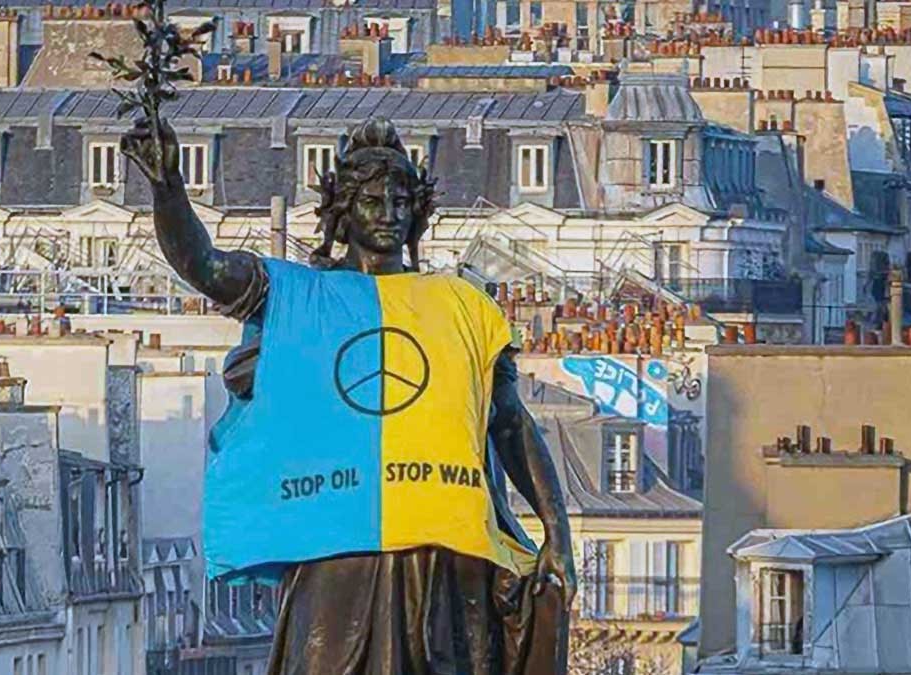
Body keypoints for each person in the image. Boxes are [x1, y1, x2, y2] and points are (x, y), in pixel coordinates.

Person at [122, 115, 576, 675]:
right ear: (344, 211)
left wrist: (558, 532)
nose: (388, 214)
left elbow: (509, 424)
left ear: (418, 214)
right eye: (372, 201)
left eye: (400, 202)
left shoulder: (464, 304)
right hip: (338, 541)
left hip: (444, 551)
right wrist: (167, 191)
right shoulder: (298, 294)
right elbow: (206, 266)